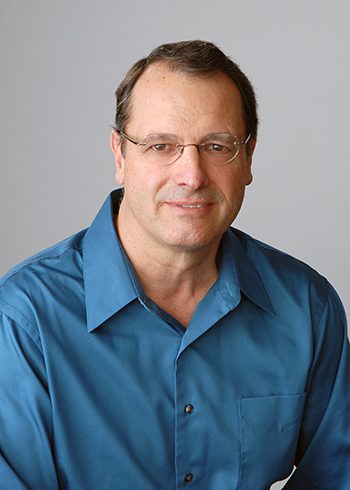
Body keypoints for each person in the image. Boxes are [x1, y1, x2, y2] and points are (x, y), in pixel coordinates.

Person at [0, 40, 349, 490]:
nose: (192, 175)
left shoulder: (306, 308)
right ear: (119, 155)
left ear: (248, 157)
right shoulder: (22, 322)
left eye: (216, 145)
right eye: (161, 145)